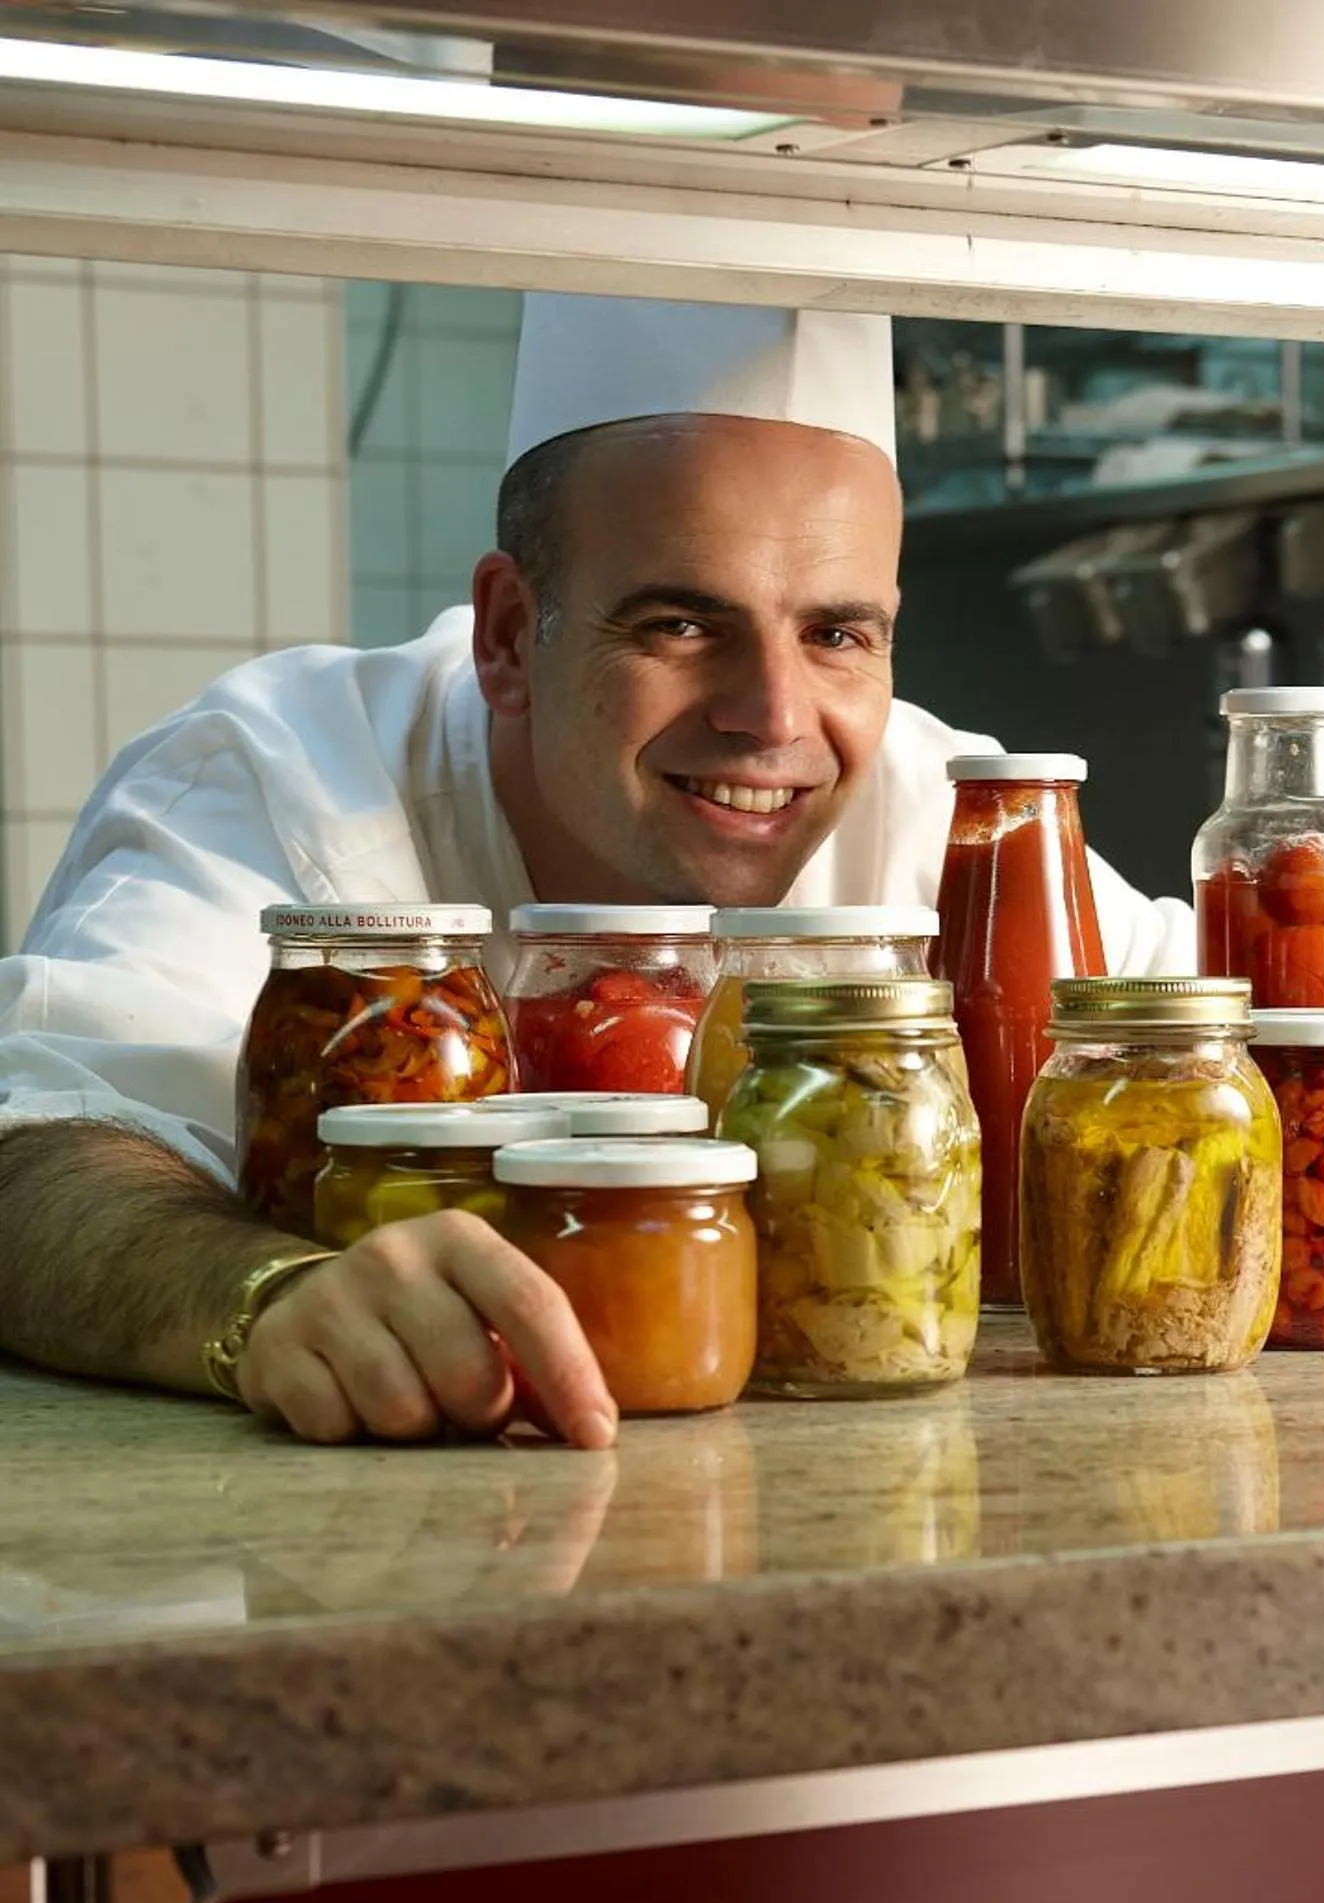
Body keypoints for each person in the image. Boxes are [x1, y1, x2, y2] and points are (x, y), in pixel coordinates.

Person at [0, 297, 1188, 1448]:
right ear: (511, 634)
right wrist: (263, 1297)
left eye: (835, 634)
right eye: (680, 625)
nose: (772, 717)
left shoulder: (966, 823)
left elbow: (1210, 1066)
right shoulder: (279, 774)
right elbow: (40, 1158)